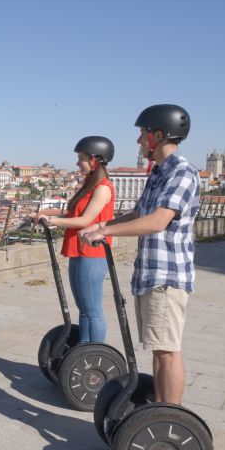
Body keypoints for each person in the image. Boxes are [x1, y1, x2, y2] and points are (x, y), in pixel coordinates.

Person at [81, 104, 200, 405]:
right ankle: (160, 410)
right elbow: (138, 212)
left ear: (159, 135)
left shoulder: (183, 173)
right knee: (160, 348)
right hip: (150, 275)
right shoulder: (159, 172)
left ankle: (169, 418)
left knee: (168, 351)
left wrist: (105, 233)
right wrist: (103, 224)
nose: (138, 140)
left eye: (142, 134)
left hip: (167, 276)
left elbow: (158, 220)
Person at [34, 136, 116, 344]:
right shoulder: (88, 184)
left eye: (81, 158)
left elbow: (86, 220)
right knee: (83, 308)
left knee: (92, 310)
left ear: (96, 160)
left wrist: (51, 220)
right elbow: (72, 211)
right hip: (78, 250)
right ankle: (83, 349)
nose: (77, 163)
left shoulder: (102, 188)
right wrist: (45, 214)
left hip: (92, 253)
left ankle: (95, 352)